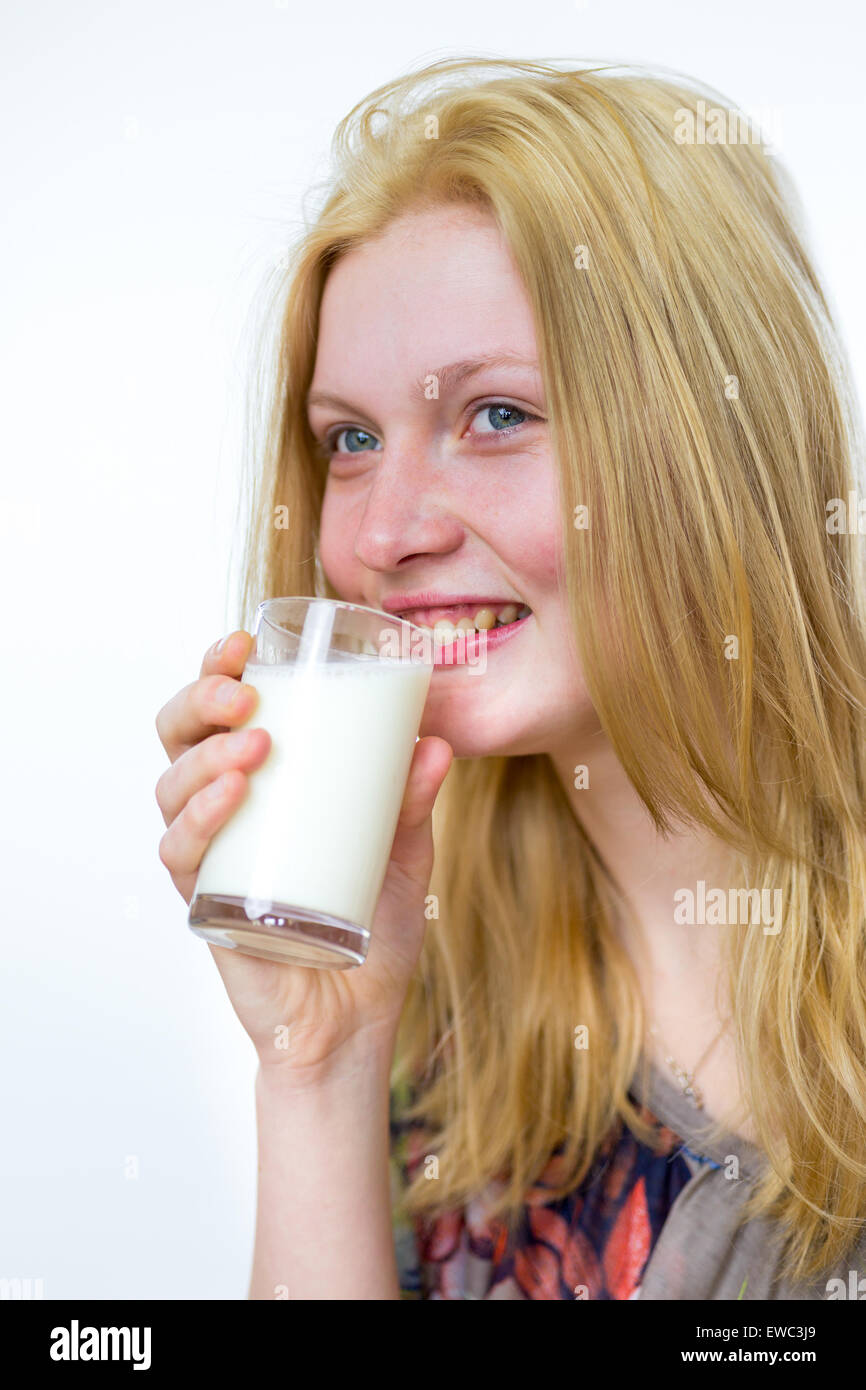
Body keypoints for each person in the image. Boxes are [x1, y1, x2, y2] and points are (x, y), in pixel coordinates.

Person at [154, 56, 866, 1299]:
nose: (380, 538)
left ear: (709, 442)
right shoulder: (439, 972)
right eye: (352, 441)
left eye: (494, 415)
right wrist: (316, 1068)